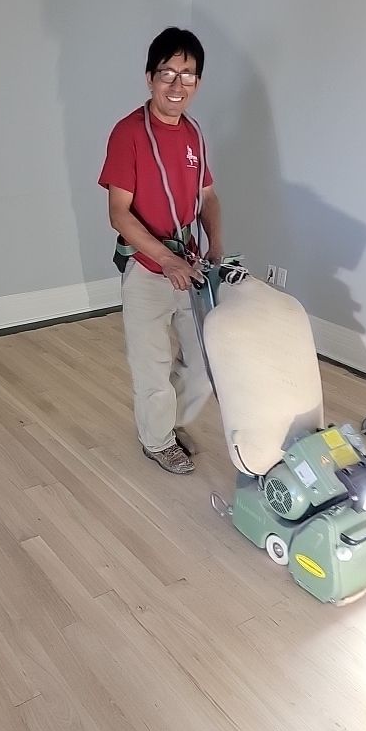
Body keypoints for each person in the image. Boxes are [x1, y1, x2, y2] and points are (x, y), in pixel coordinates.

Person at [98, 27, 224, 474]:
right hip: (149, 270)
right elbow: (119, 212)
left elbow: (207, 197)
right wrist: (165, 258)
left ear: (198, 83)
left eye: (187, 75)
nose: (177, 85)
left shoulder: (193, 134)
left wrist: (216, 249)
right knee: (151, 369)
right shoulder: (128, 133)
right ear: (150, 78)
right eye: (167, 73)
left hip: (188, 268)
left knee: (204, 367)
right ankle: (157, 440)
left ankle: (163, 422)